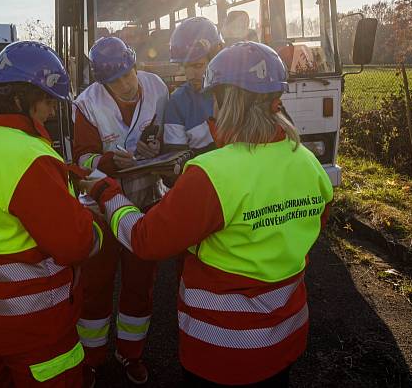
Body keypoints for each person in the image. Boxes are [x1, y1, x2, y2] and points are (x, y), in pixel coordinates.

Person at [87, 42, 334, 387]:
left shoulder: (210, 173)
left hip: (224, 348)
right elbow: (312, 226)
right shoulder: (307, 162)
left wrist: (107, 193)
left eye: (214, 97)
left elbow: (145, 240)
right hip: (285, 335)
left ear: (226, 100)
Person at [0, 40, 103, 387]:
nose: (50, 111)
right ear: (22, 98)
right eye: (47, 101)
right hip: (36, 327)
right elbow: (76, 244)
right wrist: (94, 224)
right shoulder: (28, 157)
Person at [72, 36, 168, 386]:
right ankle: (91, 358)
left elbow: (168, 135)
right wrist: (108, 161)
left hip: (145, 202)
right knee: (96, 286)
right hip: (101, 208)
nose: (127, 84)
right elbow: (82, 159)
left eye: (129, 74)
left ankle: (131, 354)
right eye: (116, 81)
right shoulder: (86, 104)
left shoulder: (156, 87)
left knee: (140, 285)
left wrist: (157, 147)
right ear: (101, 82)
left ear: (134, 64)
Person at [164, 16, 224, 156]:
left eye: (198, 66)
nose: (190, 76)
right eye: (185, 67)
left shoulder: (241, 92)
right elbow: (175, 160)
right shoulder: (177, 102)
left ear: (217, 58)